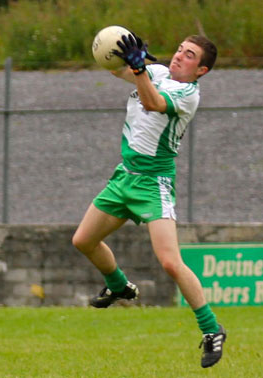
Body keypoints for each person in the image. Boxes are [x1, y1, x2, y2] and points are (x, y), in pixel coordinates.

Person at [72, 34, 226, 368]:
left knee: (170, 262)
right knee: (83, 240)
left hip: (153, 184)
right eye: (180, 50)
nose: (179, 56)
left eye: (189, 56)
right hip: (124, 177)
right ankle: (118, 286)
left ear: (201, 71)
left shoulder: (188, 94)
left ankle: (212, 329)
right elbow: (118, 72)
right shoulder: (154, 72)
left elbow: (154, 103)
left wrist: (141, 69)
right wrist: (121, 55)